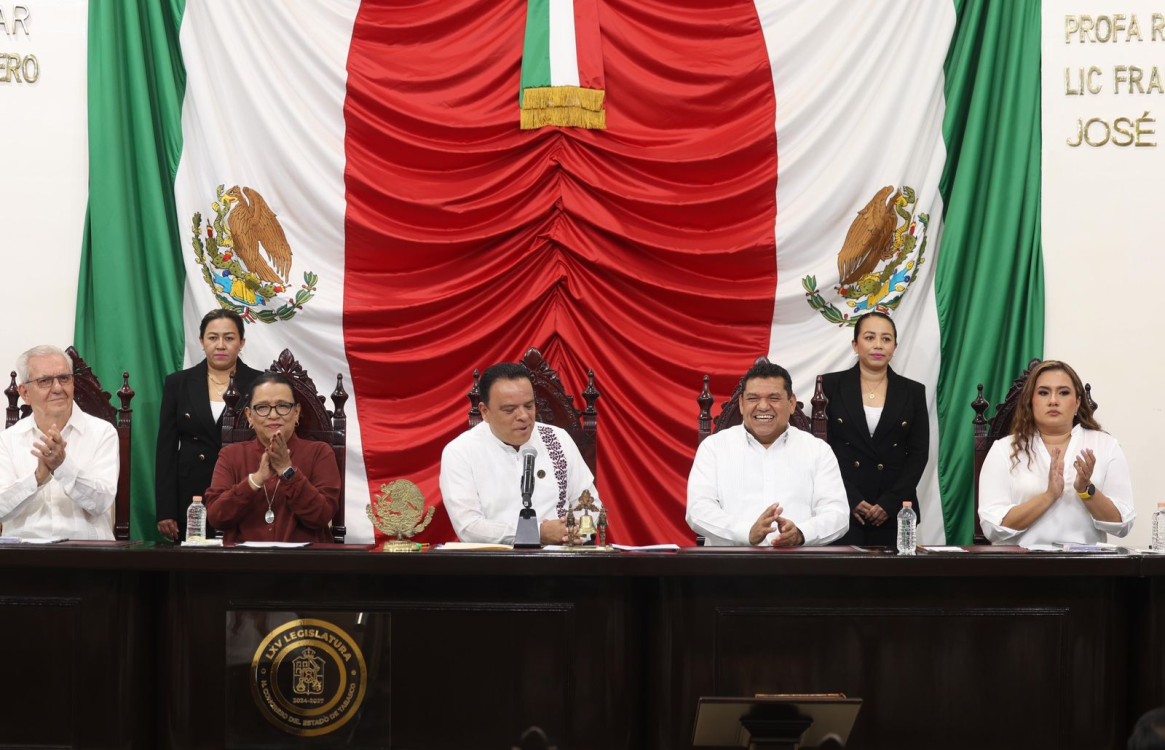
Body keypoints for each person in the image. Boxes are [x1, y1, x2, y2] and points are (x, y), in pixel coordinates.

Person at [687, 360, 849, 546]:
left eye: (774, 398)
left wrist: (801, 534)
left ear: (791, 403)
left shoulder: (817, 450)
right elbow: (698, 510)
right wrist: (746, 532)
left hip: (798, 566)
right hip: (730, 567)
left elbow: (837, 514)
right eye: (753, 398)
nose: (763, 406)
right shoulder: (713, 448)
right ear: (741, 404)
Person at [440, 362, 601, 545]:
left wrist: (574, 531)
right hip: (492, 565)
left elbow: (589, 504)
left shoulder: (558, 439)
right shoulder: (461, 451)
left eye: (529, 406)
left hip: (559, 561)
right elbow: (469, 527)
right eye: (510, 410)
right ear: (485, 412)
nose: (523, 416)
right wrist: (536, 532)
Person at [978, 360, 1134, 546]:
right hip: (1021, 568)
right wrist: (1049, 496)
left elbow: (1122, 524)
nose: (1053, 400)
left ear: (1077, 403)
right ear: (1031, 402)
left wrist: (1086, 491)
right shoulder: (1004, 450)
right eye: (1044, 393)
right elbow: (992, 527)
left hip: (1086, 567)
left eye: (1063, 392)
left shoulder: (1105, 446)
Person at [821, 311, 929, 547]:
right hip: (843, 505)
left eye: (886, 339)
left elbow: (919, 454)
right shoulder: (829, 385)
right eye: (870, 338)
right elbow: (822, 452)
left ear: (895, 346)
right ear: (855, 344)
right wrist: (850, 498)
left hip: (895, 509)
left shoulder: (913, 392)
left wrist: (890, 502)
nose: (878, 345)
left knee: (892, 582)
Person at [155, 309, 260, 541]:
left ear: (242, 342)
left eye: (229, 338)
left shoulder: (260, 384)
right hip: (192, 496)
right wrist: (166, 510)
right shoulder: (178, 383)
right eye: (213, 338)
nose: (220, 345)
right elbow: (166, 450)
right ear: (201, 341)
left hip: (243, 489)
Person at [204, 373, 340, 544]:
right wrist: (255, 480)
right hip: (244, 564)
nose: (273, 415)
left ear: (296, 412)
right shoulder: (231, 456)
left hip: (305, 563)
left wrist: (287, 471)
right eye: (262, 407)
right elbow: (216, 517)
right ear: (249, 416)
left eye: (283, 406)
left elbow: (321, 515)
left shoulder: (320, 452)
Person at [0, 345, 119, 539]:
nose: (57, 388)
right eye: (45, 381)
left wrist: (62, 467)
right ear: (25, 393)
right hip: (24, 555)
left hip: (88, 555)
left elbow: (101, 503)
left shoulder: (102, 433)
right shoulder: (7, 440)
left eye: (64, 378)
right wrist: (37, 478)